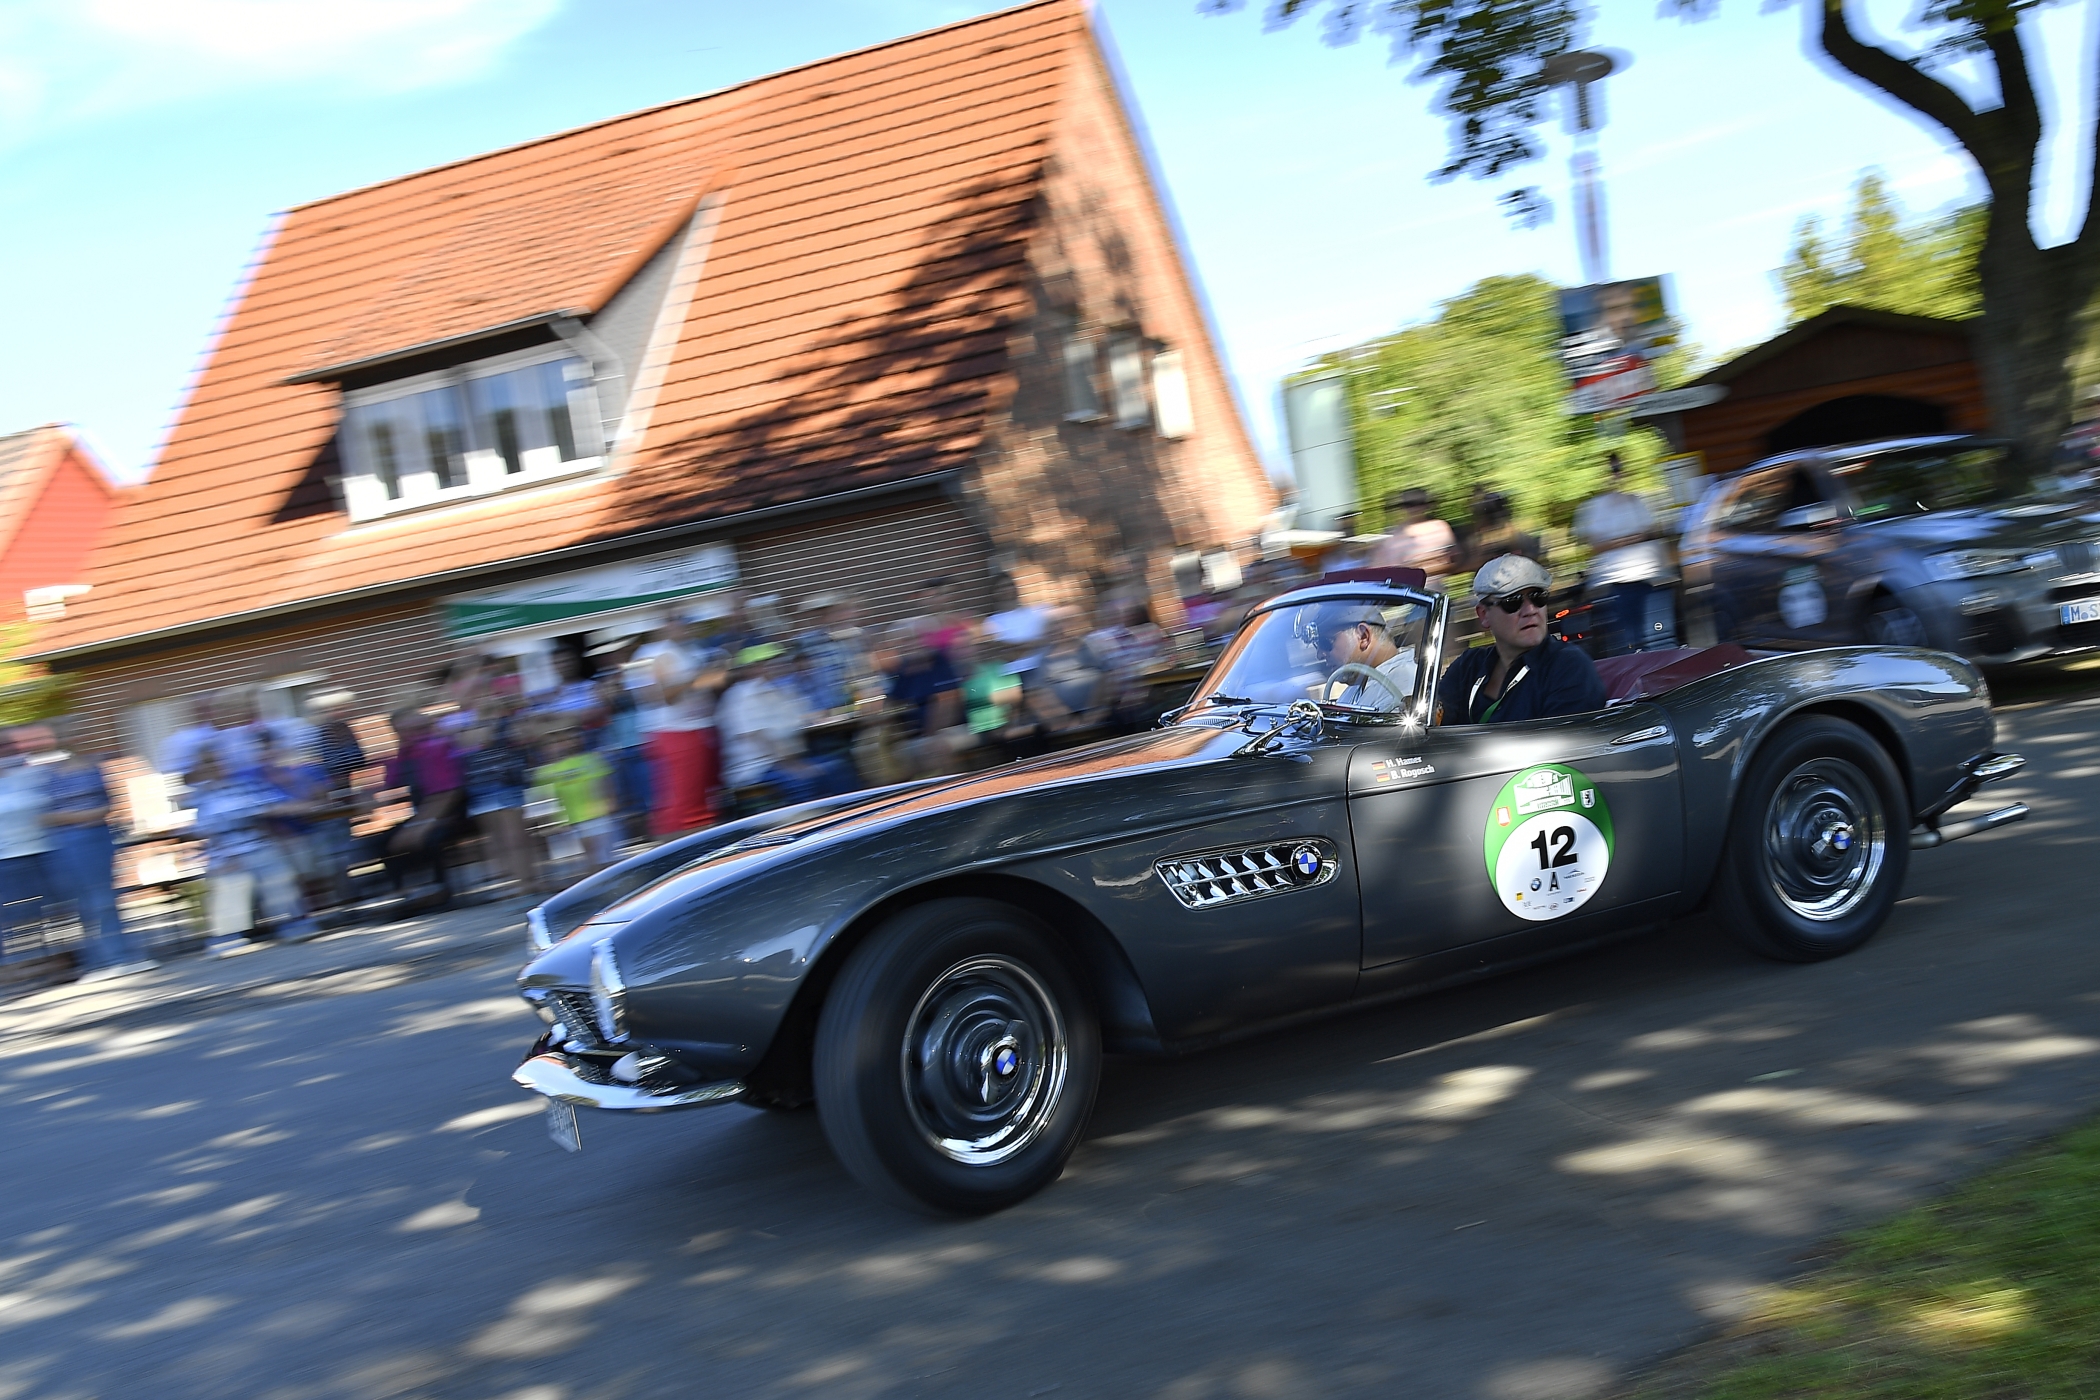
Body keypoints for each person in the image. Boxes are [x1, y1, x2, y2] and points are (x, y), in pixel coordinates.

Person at [33, 719, 155, 980]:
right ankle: (108, 960)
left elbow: (111, 802)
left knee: (107, 897)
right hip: (71, 842)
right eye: (68, 733)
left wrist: (94, 815)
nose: (75, 736)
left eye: (78, 731)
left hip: (100, 837)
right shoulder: (48, 774)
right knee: (93, 901)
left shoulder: (94, 767)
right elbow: (44, 816)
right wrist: (85, 817)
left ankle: (115, 958)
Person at [1435, 555, 1607, 725]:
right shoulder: (1467, 667)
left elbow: (1562, 739)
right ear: (1484, 614)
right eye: (1512, 602)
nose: (1530, 610)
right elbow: (1430, 725)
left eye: (1538, 597)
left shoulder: (1568, 666)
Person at [187, 744, 322, 956]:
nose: (216, 765)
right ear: (201, 768)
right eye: (209, 762)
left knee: (274, 868)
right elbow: (205, 831)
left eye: (218, 760)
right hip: (225, 852)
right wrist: (227, 856)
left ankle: (294, 924)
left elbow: (274, 805)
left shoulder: (246, 785)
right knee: (229, 877)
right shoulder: (202, 797)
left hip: (258, 845)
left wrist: (309, 805)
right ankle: (226, 938)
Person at [718, 643, 858, 806]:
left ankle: (853, 813)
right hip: (759, 769)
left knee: (839, 767)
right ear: (755, 668)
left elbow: (798, 719)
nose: (779, 664)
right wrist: (794, 766)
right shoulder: (740, 697)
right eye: (771, 661)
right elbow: (759, 738)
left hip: (791, 761)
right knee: (804, 781)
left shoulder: (779, 690)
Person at [628, 614, 723, 836]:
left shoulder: (694, 650)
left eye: (683, 620)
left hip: (702, 728)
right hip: (673, 732)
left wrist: (716, 673)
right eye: (673, 620)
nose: (681, 625)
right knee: (681, 799)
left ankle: (705, 840)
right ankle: (678, 845)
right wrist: (696, 678)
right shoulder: (647, 655)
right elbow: (657, 696)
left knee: (704, 796)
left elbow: (713, 683)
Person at [1574, 452, 1678, 654]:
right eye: (1613, 469)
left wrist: (1623, 540)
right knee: (1629, 641)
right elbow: (1596, 545)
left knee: (1657, 637)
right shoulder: (1593, 508)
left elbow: (1651, 530)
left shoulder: (1636, 501)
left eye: (1619, 469)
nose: (1617, 474)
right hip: (1615, 583)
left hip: (1648, 578)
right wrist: (1630, 538)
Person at [0, 729, 54, 962]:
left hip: (44, 852)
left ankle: (47, 961)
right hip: (8, 858)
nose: (7, 750)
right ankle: (21, 965)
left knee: (47, 911)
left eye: (10, 745)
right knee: (18, 915)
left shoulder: (35, 774)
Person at [533, 725, 618, 873]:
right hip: (565, 826)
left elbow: (605, 785)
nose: (556, 746)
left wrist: (608, 804)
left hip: (595, 818)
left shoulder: (590, 760)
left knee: (604, 864)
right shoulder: (543, 773)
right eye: (550, 744)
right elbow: (542, 801)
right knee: (580, 870)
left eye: (560, 741)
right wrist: (552, 824)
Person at [1307, 601, 1418, 711]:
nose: (1319, 655)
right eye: (1316, 646)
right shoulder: (1355, 689)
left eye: (1325, 643)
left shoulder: (1403, 683)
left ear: (1364, 636)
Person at [1369, 488, 1460, 587]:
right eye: (1409, 504)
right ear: (1402, 507)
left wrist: (1413, 568)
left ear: (1427, 505)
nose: (1415, 508)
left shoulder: (1440, 527)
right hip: (1403, 592)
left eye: (1420, 503)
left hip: (1433, 592)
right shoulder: (1392, 536)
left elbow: (1454, 561)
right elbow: (1383, 570)